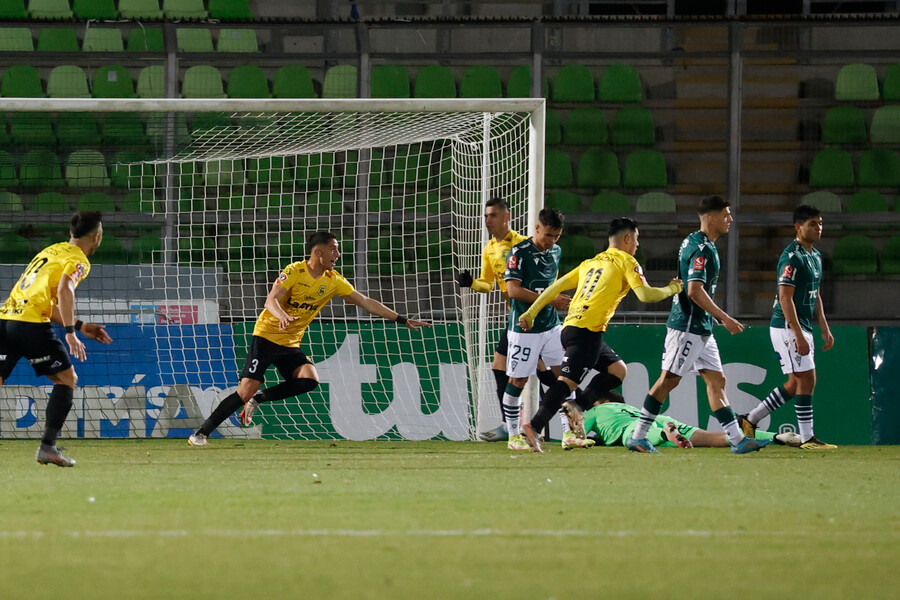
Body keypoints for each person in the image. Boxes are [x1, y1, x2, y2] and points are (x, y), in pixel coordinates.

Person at [188, 231, 430, 446]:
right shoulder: (294, 271)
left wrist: (400, 318)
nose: (338, 253)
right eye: (333, 248)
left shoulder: (333, 280)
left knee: (309, 379)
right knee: (244, 390)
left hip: (290, 343)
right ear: (318, 251)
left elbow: (365, 301)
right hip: (266, 337)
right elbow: (271, 300)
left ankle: (258, 399)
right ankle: (200, 434)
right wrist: (282, 315)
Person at [518, 217, 683, 453]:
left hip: (572, 327)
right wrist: (673, 288)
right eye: (636, 239)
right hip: (588, 331)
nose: (637, 245)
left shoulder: (590, 262)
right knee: (566, 382)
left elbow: (555, 287)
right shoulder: (627, 261)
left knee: (618, 370)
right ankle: (534, 426)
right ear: (627, 239)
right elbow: (646, 295)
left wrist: (532, 311)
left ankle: (577, 407)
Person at [626, 195, 770, 455]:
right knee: (668, 381)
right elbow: (694, 290)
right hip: (688, 327)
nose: (730, 220)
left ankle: (738, 440)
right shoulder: (702, 248)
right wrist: (724, 317)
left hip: (701, 327)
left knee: (717, 380)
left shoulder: (695, 241)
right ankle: (638, 436)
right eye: (726, 215)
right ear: (711, 218)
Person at [0, 211, 113, 467]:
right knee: (66, 379)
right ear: (97, 237)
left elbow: (43, 301)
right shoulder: (78, 260)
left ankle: (48, 448)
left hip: (6, 318)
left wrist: (81, 325)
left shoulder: (51, 251)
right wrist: (71, 332)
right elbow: (65, 289)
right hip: (30, 324)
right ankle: (48, 448)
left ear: (71, 233)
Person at [455, 197, 561, 442]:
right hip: (517, 316)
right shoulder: (489, 248)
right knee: (520, 369)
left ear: (506, 217)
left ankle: (527, 422)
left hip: (533, 317)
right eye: (485, 216)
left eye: (492, 215)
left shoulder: (523, 245)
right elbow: (488, 284)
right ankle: (534, 421)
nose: (487, 221)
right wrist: (471, 283)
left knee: (524, 370)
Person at [740, 204, 836, 449]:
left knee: (795, 384)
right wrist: (797, 334)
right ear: (798, 227)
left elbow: (815, 294)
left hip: (802, 326)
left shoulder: (814, 256)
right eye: (812, 223)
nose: (818, 228)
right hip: (787, 327)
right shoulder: (791, 256)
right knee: (807, 379)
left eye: (820, 223)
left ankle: (750, 419)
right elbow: (785, 298)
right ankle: (807, 438)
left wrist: (824, 326)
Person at [500, 207, 585, 451]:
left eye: (557, 236)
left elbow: (551, 286)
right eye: (548, 235)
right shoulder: (518, 253)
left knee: (567, 378)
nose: (552, 241)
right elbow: (513, 290)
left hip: (551, 326)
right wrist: (550, 299)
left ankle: (570, 434)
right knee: (518, 380)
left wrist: (555, 300)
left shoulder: (556, 251)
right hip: (524, 328)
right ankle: (514, 437)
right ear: (537, 228)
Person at [583, 394, 802, 449]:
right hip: (656, 417)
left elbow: (579, 431)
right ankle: (776, 436)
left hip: (634, 428)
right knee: (711, 438)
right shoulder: (628, 408)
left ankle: (665, 434)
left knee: (638, 437)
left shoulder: (598, 409)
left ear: (601, 401)